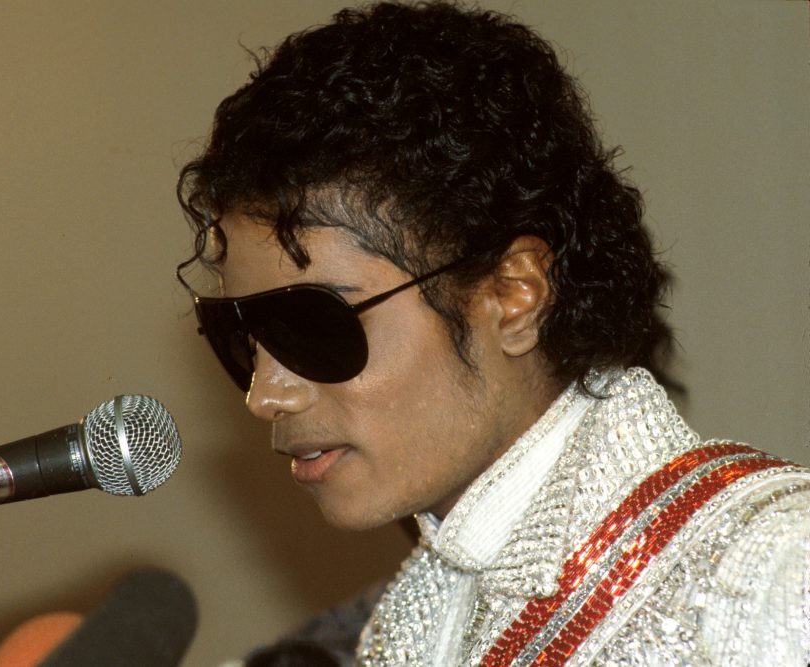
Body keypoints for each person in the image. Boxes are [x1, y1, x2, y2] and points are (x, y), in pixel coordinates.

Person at [175, 2, 810, 665]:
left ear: (514, 296)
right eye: (240, 335)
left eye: (312, 326)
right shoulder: (405, 628)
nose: (266, 394)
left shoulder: (776, 570)